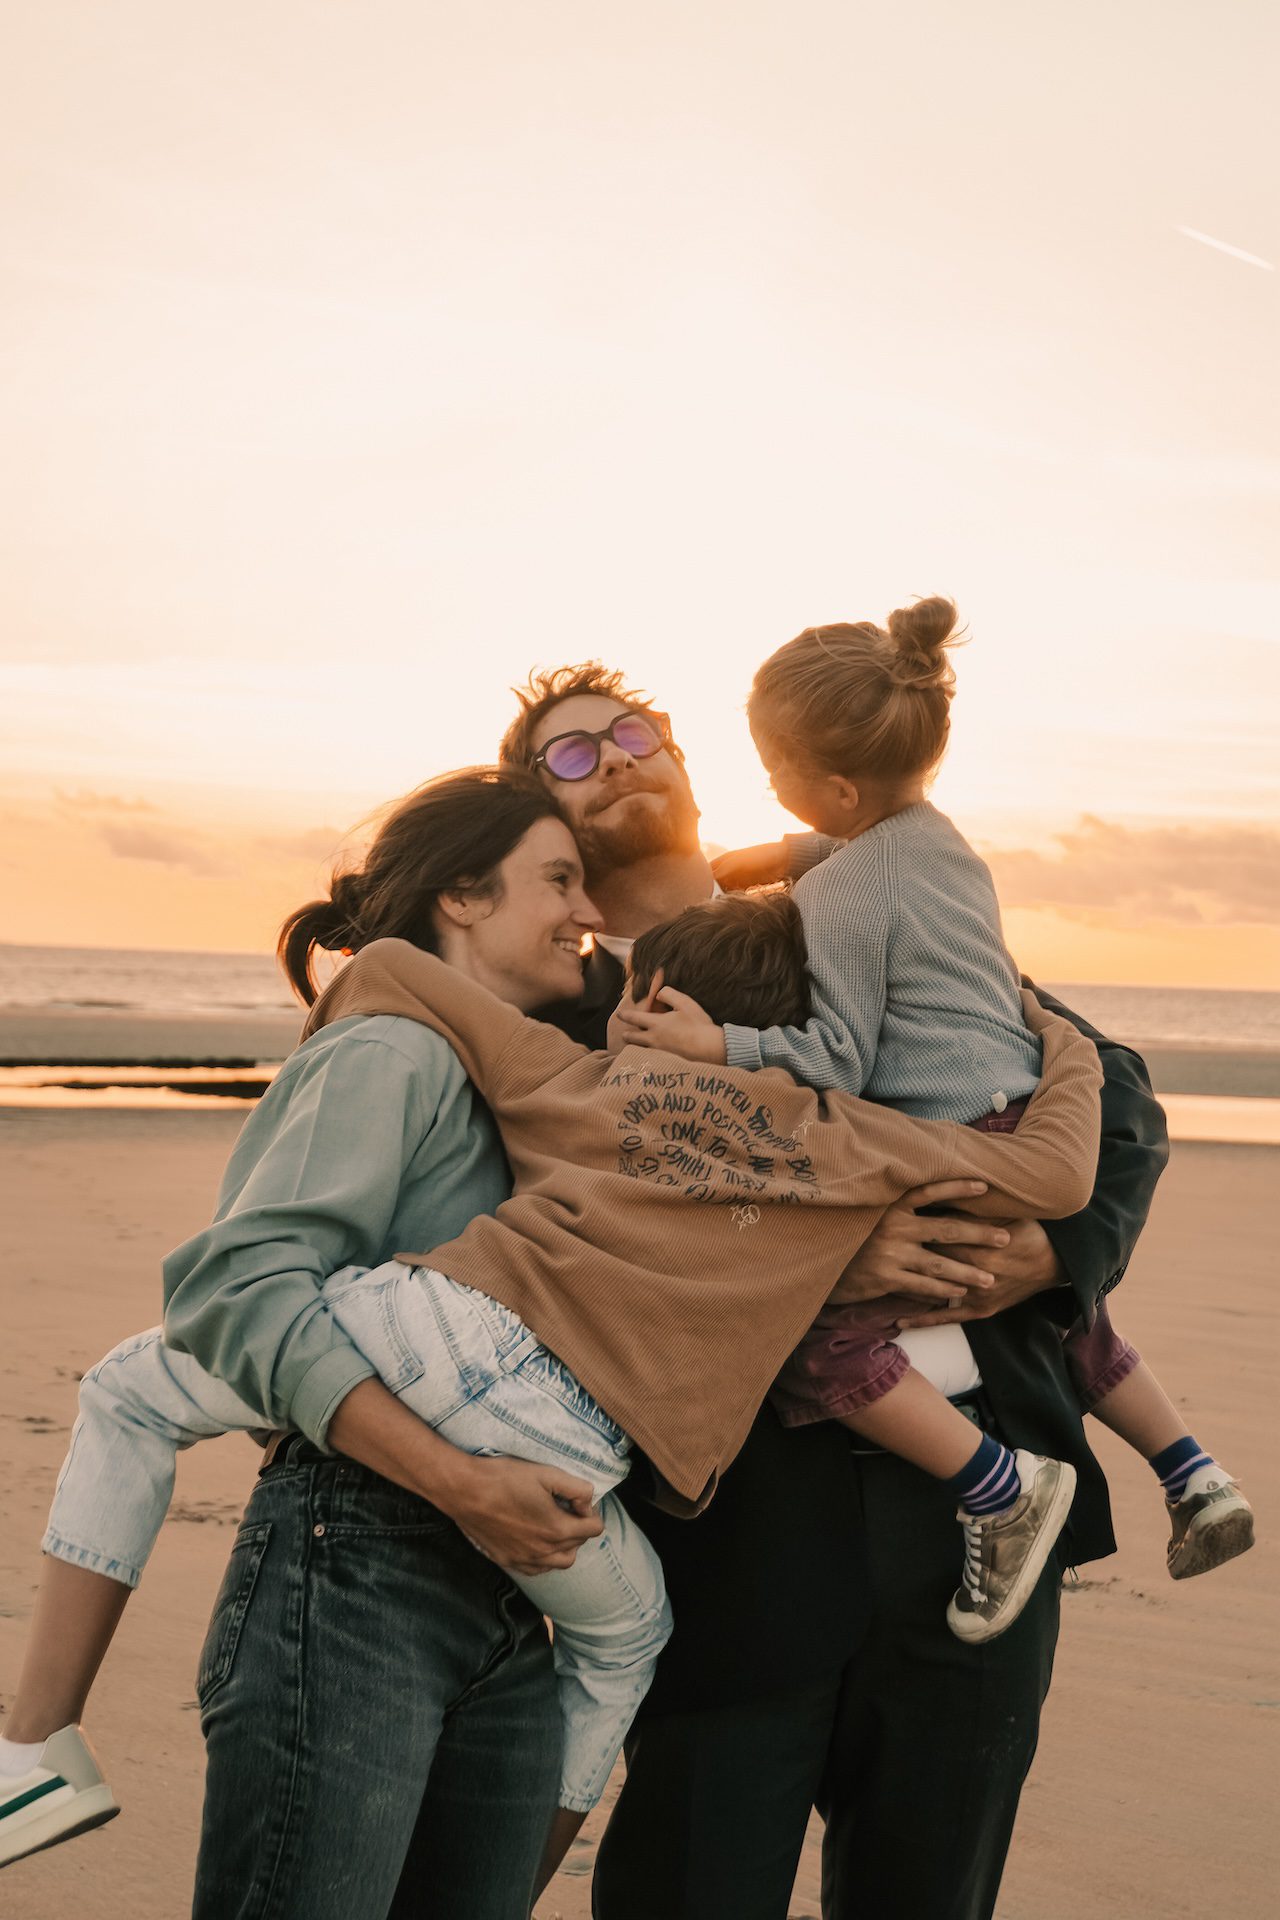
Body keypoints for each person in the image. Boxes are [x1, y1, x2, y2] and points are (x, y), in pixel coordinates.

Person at [0, 884, 1102, 1890]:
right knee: (625, 1641)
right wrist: (1061, 1040)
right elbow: (1055, 1171)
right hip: (576, 1452)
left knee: (127, 1392)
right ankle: (511, 1883)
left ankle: (36, 1747)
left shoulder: (577, 1078)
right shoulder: (851, 1138)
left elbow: (382, 967)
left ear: (650, 996)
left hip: (434, 1343)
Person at [496, 661, 1172, 1920]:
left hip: (985, 1542)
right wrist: (825, 1258)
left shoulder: (857, 889)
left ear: (690, 764)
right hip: (732, 1558)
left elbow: (1103, 1084)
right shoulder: (556, 1018)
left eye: (631, 732)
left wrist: (1053, 1256)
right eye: (569, 758)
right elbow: (567, 1243)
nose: (616, 758)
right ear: (543, 825)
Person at [0, 768, 606, 1915]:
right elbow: (236, 1285)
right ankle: (33, 1746)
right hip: (358, 1565)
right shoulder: (393, 1054)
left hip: (509, 1589)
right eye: (559, 880)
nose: (588, 912)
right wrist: (460, 1482)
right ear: (463, 898)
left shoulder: (514, 1078)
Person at [616, 599, 1253, 1635]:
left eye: (772, 768)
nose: (769, 785)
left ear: (832, 787)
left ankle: (999, 1489)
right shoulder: (934, 839)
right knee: (1067, 1318)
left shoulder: (845, 894)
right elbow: (854, 863)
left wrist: (710, 1049)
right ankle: (1189, 1470)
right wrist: (777, 855)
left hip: (954, 1140)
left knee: (818, 1335)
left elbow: (832, 1058)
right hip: (1025, 1109)